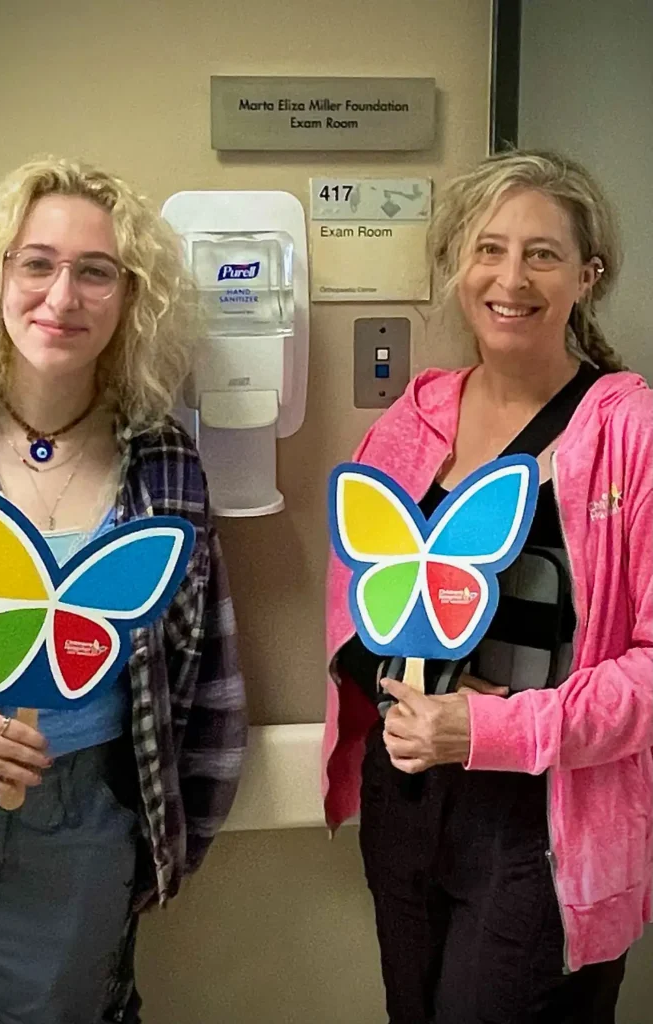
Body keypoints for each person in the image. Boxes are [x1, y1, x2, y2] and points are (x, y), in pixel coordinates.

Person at [0, 158, 248, 1023]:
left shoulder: (163, 465)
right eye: (36, 263)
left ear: (130, 298)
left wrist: (169, 845)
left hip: (83, 823)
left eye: (96, 272)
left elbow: (208, 678)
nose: (63, 295)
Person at [324, 150, 652, 1023]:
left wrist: (490, 725)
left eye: (543, 254)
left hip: (546, 817)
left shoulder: (632, 437)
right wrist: (391, 692)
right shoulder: (407, 424)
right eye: (489, 249)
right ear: (456, 267)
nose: (512, 278)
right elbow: (358, 608)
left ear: (589, 275)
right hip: (409, 799)